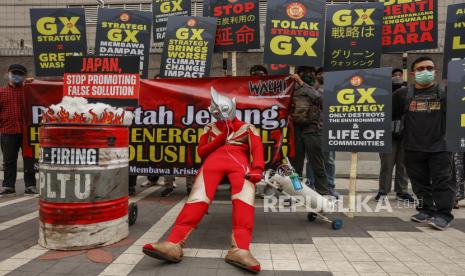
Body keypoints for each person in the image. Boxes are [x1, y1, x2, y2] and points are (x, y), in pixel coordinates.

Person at [143, 88, 264, 273]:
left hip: (240, 165)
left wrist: (258, 169)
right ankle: (174, 243)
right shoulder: (210, 127)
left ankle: (241, 249)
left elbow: (257, 150)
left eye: (221, 110)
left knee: (244, 202)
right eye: (216, 110)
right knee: (197, 199)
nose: (219, 114)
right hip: (212, 164)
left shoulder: (247, 127)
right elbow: (202, 152)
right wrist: (223, 137)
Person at [393, 56, 455, 230]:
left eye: (429, 68)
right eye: (420, 69)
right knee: (419, 182)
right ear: (413, 73)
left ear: (435, 72)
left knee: (442, 182)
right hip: (412, 147)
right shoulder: (403, 94)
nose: (425, 71)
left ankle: (444, 214)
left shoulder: (445, 92)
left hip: (440, 147)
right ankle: (426, 209)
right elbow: (387, 114)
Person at [375, 68, 414, 203]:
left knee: (403, 164)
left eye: (399, 75)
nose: (397, 77)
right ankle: (383, 191)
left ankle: (402, 191)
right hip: (387, 134)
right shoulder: (382, 93)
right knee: (387, 163)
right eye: (394, 75)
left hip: (405, 133)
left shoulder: (410, 92)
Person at [289, 66, 328, 195]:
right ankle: (295, 192)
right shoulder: (291, 89)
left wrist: (302, 83)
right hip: (296, 131)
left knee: (318, 165)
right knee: (294, 169)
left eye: (310, 73)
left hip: (313, 131)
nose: (307, 75)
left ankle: (323, 193)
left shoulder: (319, 89)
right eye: (302, 73)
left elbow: (318, 98)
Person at [0, 64, 37, 196]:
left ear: (25, 77)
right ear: (8, 74)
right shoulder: (1, 92)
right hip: (7, 131)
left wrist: (34, 83)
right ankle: (8, 186)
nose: (16, 76)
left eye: (20, 74)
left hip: (27, 132)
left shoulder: (29, 91)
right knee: (8, 161)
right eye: (14, 73)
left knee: (29, 159)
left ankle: (30, 185)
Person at [305, 68, 338, 198]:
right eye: (320, 75)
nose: (323, 77)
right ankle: (311, 186)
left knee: (329, 160)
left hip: (330, 130)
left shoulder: (335, 92)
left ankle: (329, 187)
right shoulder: (310, 92)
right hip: (313, 130)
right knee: (312, 160)